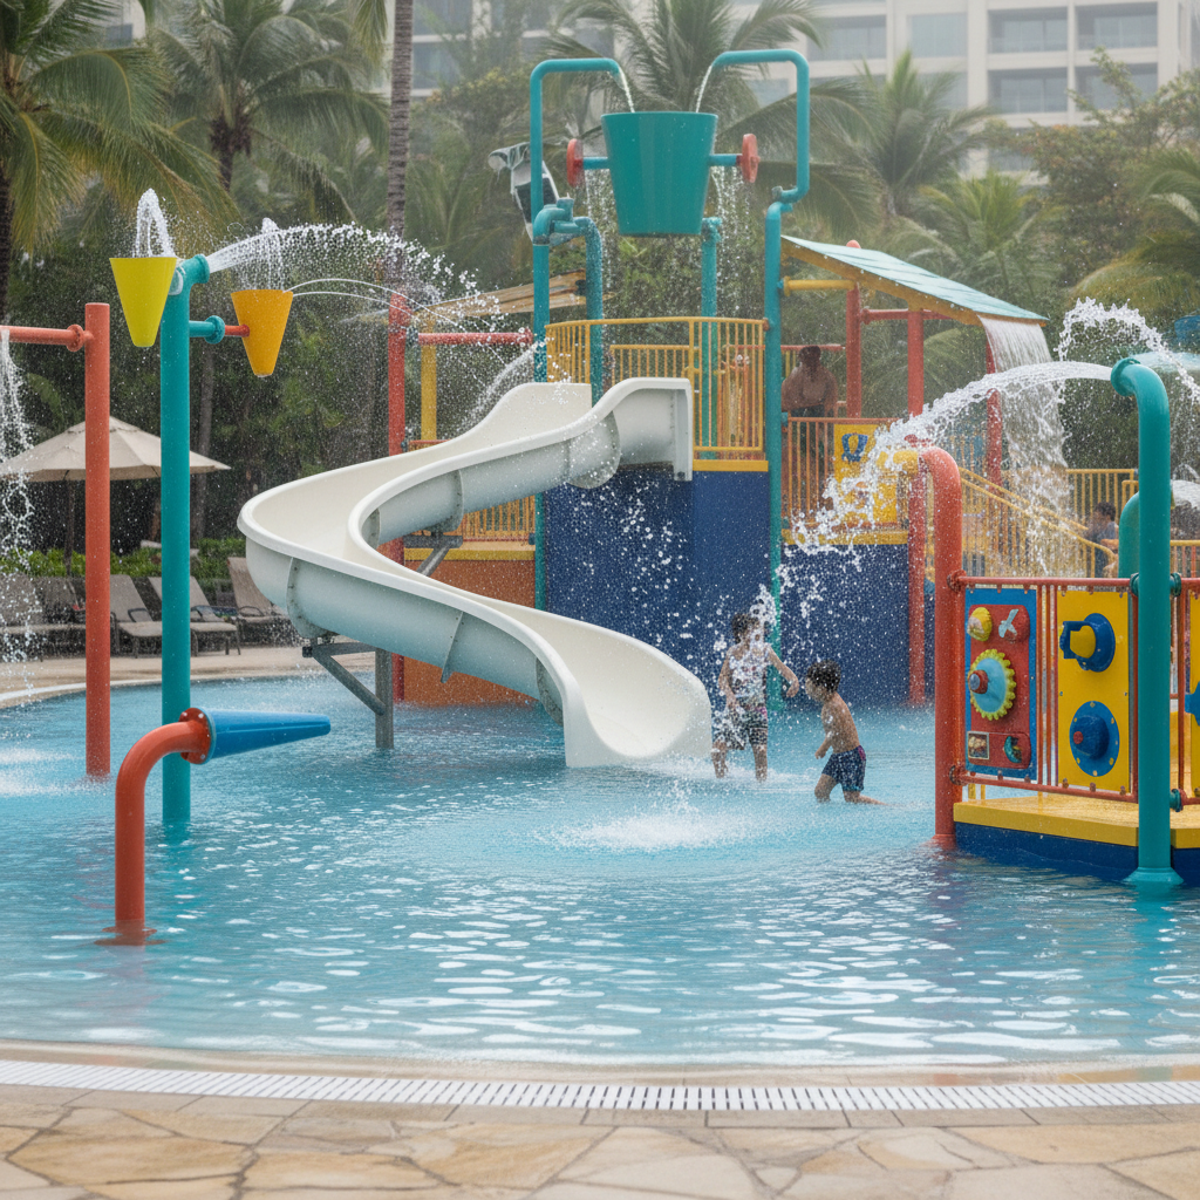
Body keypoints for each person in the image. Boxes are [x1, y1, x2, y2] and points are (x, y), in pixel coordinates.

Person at [712, 612, 800, 782]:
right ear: (742, 633)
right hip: (736, 710)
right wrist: (730, 696)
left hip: (757, 710)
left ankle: (761, 786)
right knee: (718, 750)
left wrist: (794, 680)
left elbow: (782, 668)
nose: (757, 635)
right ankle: (721, 781)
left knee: (760, 751)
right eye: (752, 631)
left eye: (758, 630)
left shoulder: (765, 651)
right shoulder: (733, 653)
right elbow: (722, 679)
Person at [804, 659, 880, 804]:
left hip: (852, 756)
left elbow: (835, 732)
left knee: (852, 798)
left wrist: (823, 748)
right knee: (820, 791)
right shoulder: (829, 703)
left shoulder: (833, 706)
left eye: (809, 687)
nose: (807, 691)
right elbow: (833, 731)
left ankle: (887, 807)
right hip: (838, 756)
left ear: (821, 689)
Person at [782, 345, 839, 418]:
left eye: (814, 359)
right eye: (809, 359)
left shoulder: (826, 375)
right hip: (801, 412)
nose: (812, 363)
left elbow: (831, 398)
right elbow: (789, 399)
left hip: (816, 412)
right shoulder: (796, 375)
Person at [1087, 502, 1119, 576]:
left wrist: (1108, 542)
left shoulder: (1113, 528)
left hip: (1109, 572)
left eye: (1097, 517)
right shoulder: (1100, 530)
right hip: (1101, 571)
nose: (1095, 520)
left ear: (1107, 517)